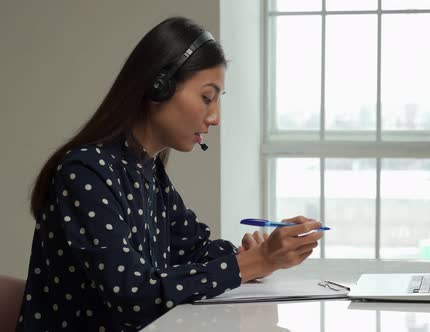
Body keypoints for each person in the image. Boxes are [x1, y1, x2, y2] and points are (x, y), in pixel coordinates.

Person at [16, 16, 323, 331]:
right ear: (158, 86)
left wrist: (253, 254)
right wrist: (253, 263)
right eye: (206, 97)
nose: (215, 117)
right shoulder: (85, 173)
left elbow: (193, 249)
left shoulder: (147, 170)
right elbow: (133, 296)